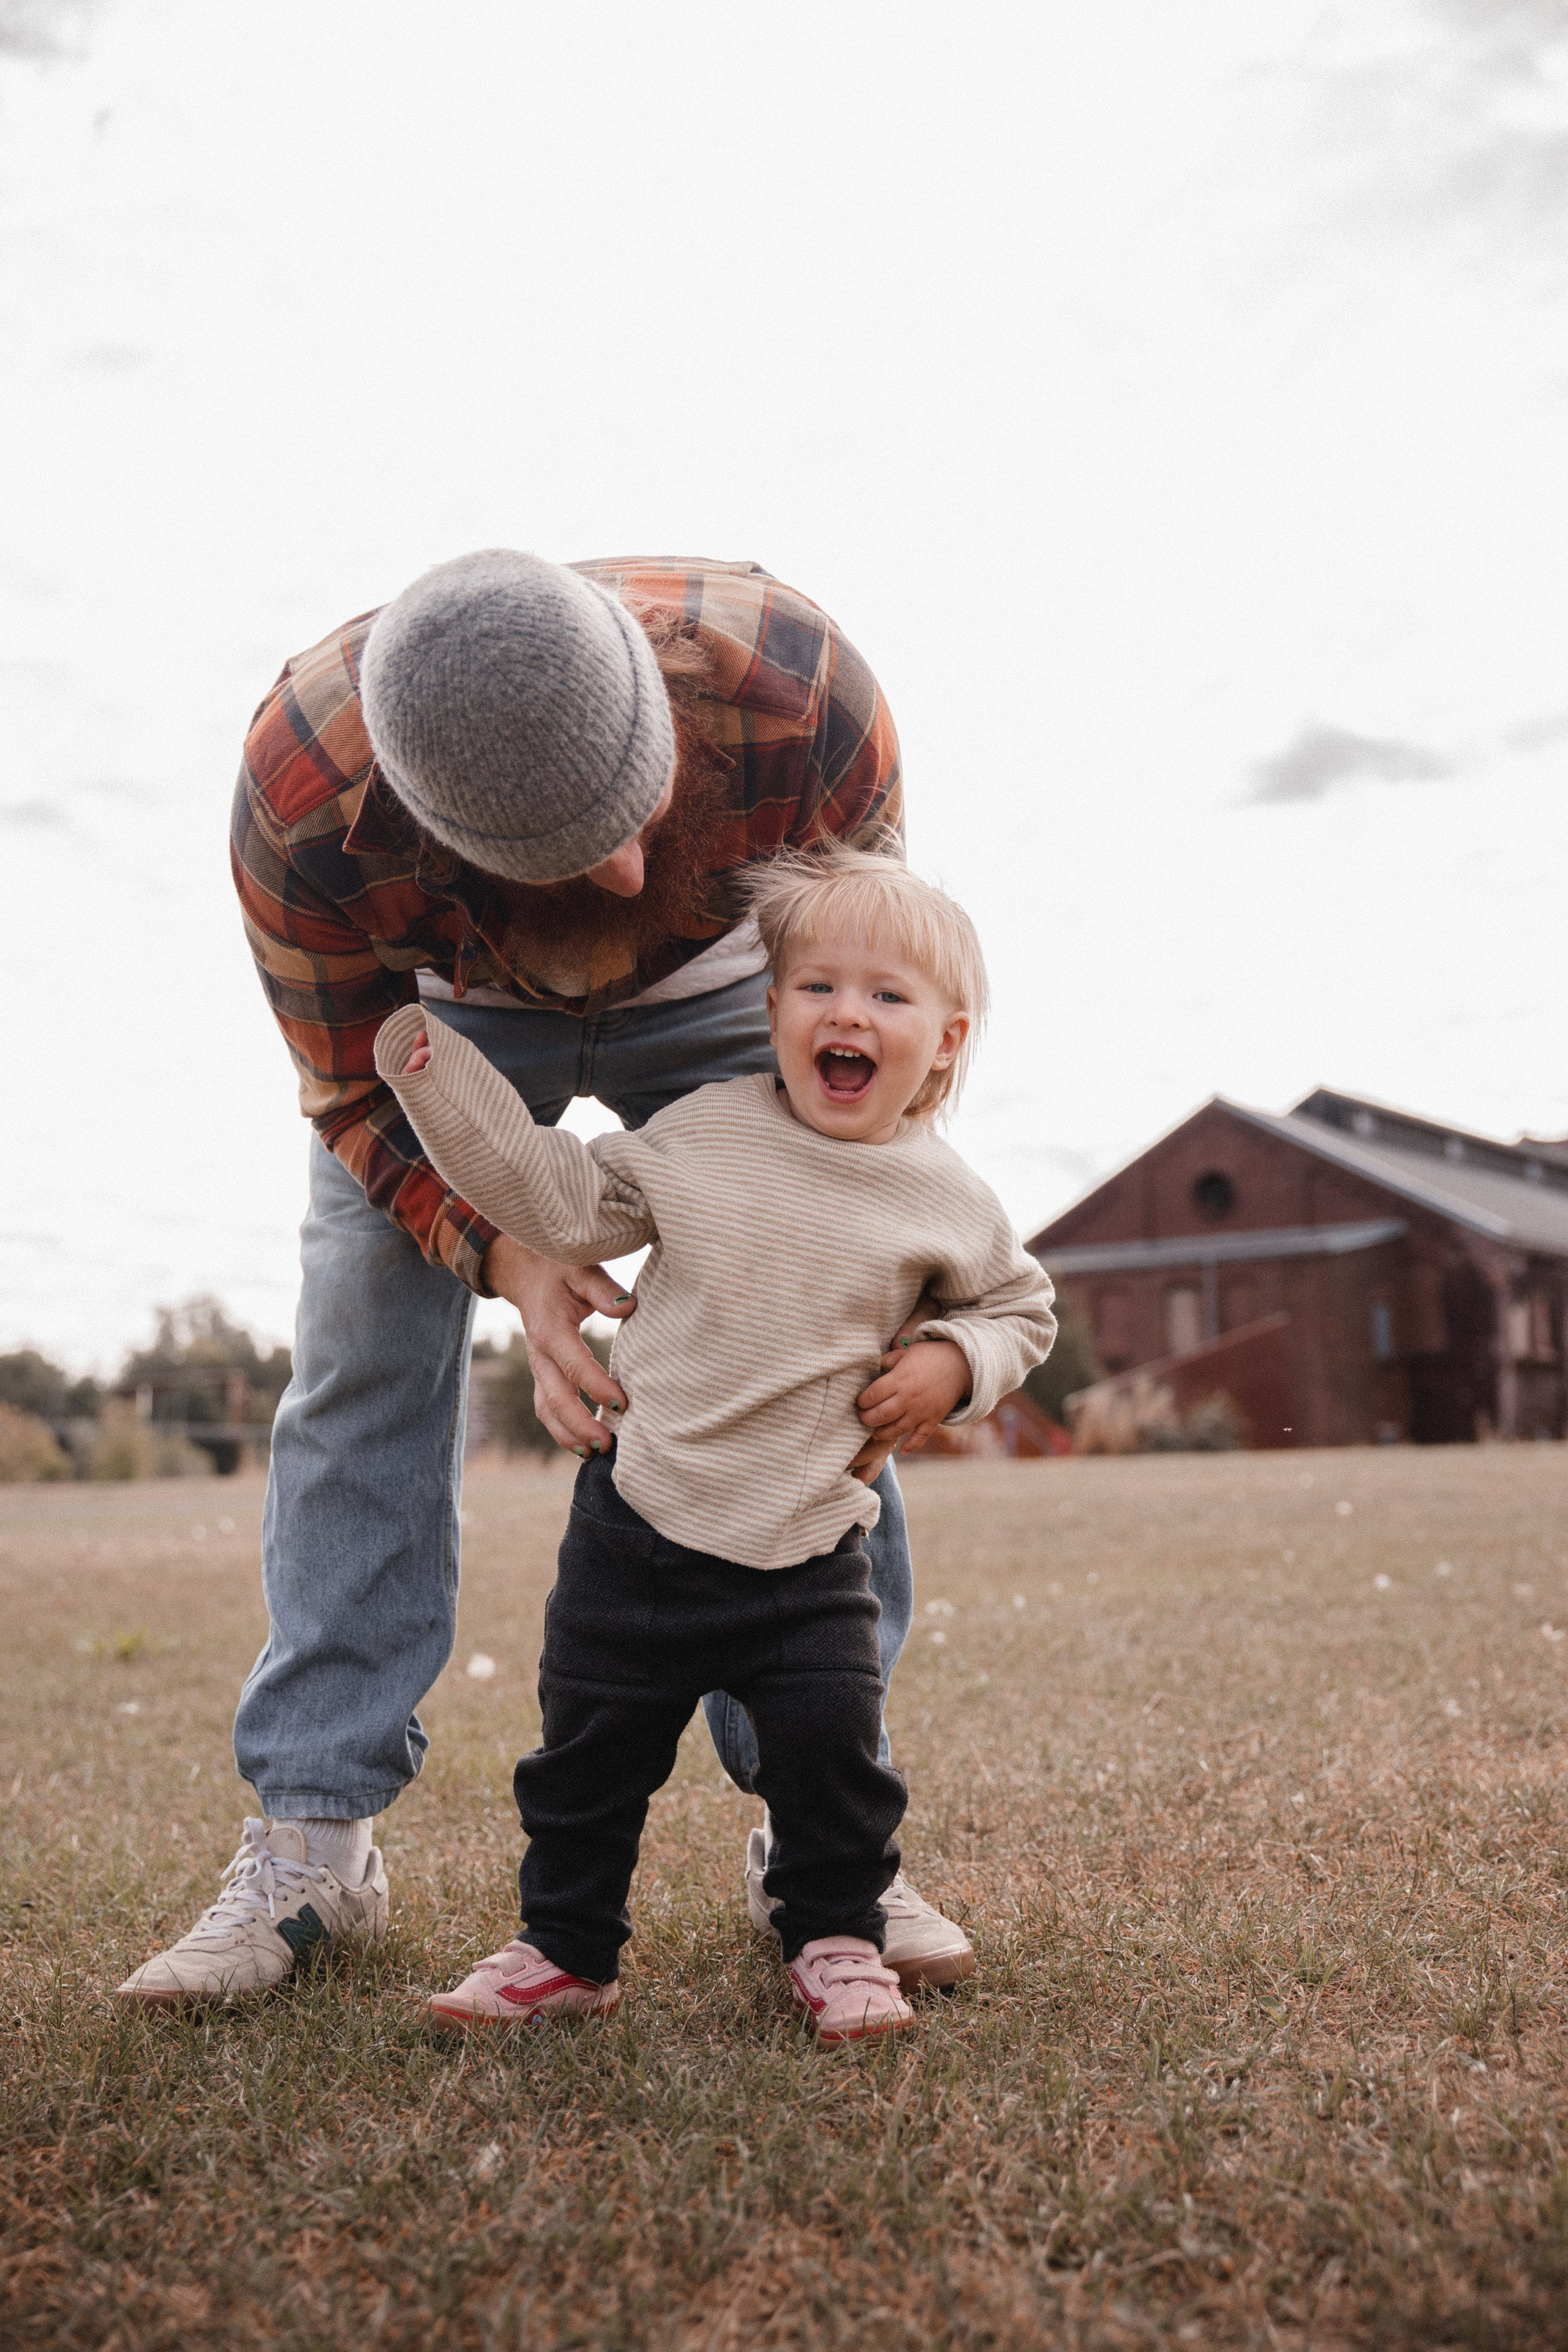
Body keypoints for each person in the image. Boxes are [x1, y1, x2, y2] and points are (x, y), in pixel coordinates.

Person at [118, 549, 983, 2008]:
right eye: (572, 851)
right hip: (448, 1021)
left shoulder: (809, 702)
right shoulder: (303, 808)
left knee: (812, 1326)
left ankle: (819, 1830)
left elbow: (860, 988)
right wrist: (508, 1251)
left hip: (723, 986)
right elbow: (352, 1098)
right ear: (426, 825)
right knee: (362, 1361)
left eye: (636, 813)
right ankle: (313, 1842)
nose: (627, 872)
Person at [373, 846, 1055, 2040]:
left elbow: (1020, 1311)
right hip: (637, 1527)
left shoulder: (946, 1199)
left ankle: (836, 1938)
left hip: (806, 1555)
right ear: (773, 1010)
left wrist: (954, 1364)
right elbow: (555, 1200)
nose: (848, 1013)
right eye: (817, 987)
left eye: (888, 997)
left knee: (829, 1766)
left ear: (942, 1042)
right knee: (582, 1767)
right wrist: (442, 1086)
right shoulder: (703, 1132)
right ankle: (563, 1949)